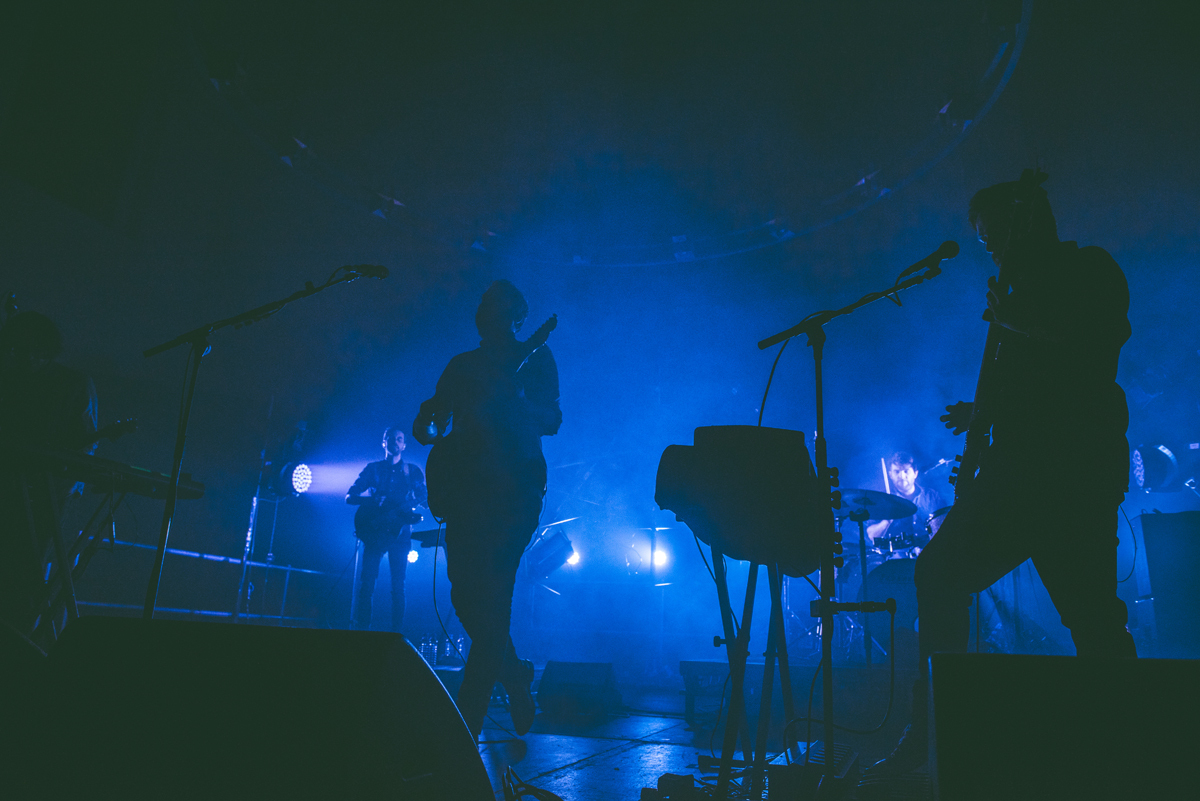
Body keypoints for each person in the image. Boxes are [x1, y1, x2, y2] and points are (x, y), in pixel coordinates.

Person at [867, 171, 1137, 776]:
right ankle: (937, 730)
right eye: (985, 240)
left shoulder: (1089, 269)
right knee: (939, 574)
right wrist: (983, 412)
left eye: (994, 236)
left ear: (1029, 222)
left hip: (1072, 479)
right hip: (1017, 478)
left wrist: (1014, 319)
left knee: (1092, 615)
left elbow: (1096, 344)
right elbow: (1040, 390)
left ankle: (1130, 739)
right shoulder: (1018, 293)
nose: (991, 248)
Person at [413, 280, 561, 739]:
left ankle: (464, 729)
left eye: (493, 306)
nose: (484, 311)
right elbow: (431, 421)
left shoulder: (536, 359)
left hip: (514, 492)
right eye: (481, 304)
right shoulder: (463, 364)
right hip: (465, 492)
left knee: (493, 602)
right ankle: (515, 674)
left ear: (514, 315)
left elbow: (552, 419)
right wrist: (427, 420)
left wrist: (516, 398)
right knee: (465, 597)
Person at [0, 311, 99, 634]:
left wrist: (57, 486)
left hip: (47, 501)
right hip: (16, 493)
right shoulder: (11, 379)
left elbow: (84, 447)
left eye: (32, 351)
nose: (24, 358)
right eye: (16, 350)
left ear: (46, 350)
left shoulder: (71, 384)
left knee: (28, 581)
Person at [346, 427, 426, 632]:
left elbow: (423, 499)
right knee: (367, 585)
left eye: (399, 439)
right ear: (384, 442)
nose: (395, 442)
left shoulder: (413, 472)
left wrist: (425, 501)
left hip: (400, 536)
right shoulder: (372, 469)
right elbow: (350, 496)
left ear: (404, 445)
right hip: (374, 534)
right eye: (391, 439)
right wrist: (371, 500)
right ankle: (362, 631)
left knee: (398, 587)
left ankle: (396, 635)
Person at [865, 451, 947, 552]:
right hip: (897, 559)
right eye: (897, 472)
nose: (902, 476)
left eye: (906, 471)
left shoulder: (932, 496)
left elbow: (946, 527)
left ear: (915, 473)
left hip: (930, 553)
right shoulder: (882, 500)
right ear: (890, 474)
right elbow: (872, 535)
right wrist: (887, 520)